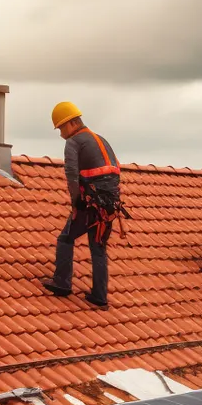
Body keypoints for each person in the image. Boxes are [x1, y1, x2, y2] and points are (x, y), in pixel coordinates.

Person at [44, 101, 122, 309]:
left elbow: (71, 176)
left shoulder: (74, 142)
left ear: (71, 123)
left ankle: (62, 283)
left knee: (65, 238)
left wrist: (76, 204)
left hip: (90, 204)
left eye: (61, 128)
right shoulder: (101, 140)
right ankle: (99, 296)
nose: (61, 134)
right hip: (109, 207)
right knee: (98, 248)